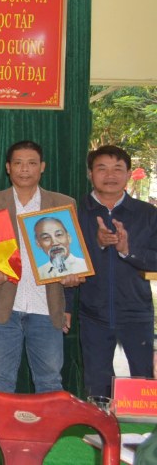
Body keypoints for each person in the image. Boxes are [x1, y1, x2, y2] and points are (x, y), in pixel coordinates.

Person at [0, 140, 81, 394]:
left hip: (47, 307)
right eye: (18, 163)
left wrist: (72, 278)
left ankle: (48, 433)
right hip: (3, 305)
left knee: (49, 381)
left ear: (42, 167)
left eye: (32, 163)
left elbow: (72, 258)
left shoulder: (62, 204)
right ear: (8, 167)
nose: (25, 169)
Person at [73, 145, 157, 397]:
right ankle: (101, 434)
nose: (110, 175)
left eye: (117, 169)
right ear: (89, 173)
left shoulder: (148, 214)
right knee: (97, 382)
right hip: (93, 314)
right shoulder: (76, 213)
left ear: (129, 173)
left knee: (143, 383)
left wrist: (127, 250)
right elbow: (65, 264)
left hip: (137, 312)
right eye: (102, 168)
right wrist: (98, 244)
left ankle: (145, 436)